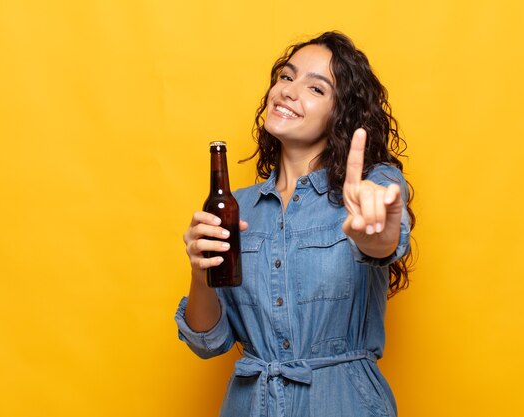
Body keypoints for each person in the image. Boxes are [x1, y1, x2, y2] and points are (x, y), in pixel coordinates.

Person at [175, 31, 415, 417]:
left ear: (341, 114)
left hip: (342, 403)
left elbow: (384, 242)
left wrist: (378, 233)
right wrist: (200, 272)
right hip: (250, 406)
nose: (288, 91)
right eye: (286, 77)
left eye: (315, 88)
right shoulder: (239, 207)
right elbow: (208, 342)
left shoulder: (373, 186)